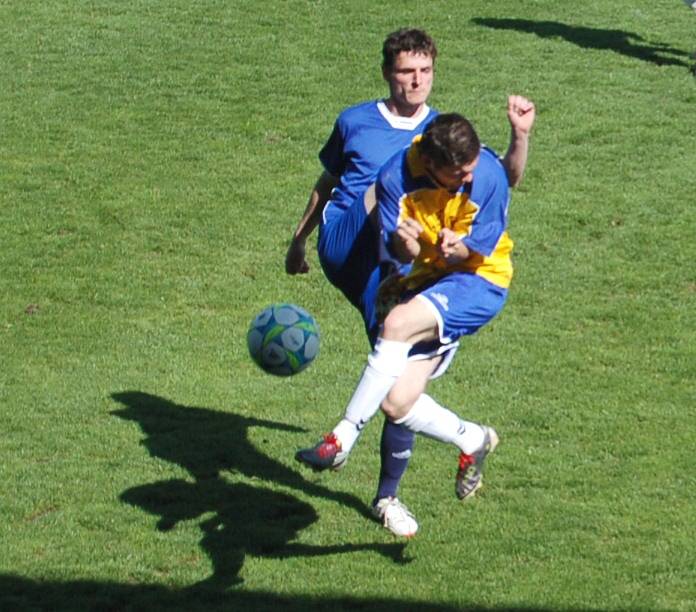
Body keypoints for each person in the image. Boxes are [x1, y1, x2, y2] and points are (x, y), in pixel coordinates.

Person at [286, 28, 535, 537]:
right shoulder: (394, 157)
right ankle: (472, 439)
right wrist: (400, 245)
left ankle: (346, 445)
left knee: (395, 329)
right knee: (396, 399)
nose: (415, 81)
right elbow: (382, 228)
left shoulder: (477, 167)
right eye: (405, 71)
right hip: (405, 271)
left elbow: (483, 231)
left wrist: (452, 248)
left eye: (424, 71)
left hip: (467, 282)